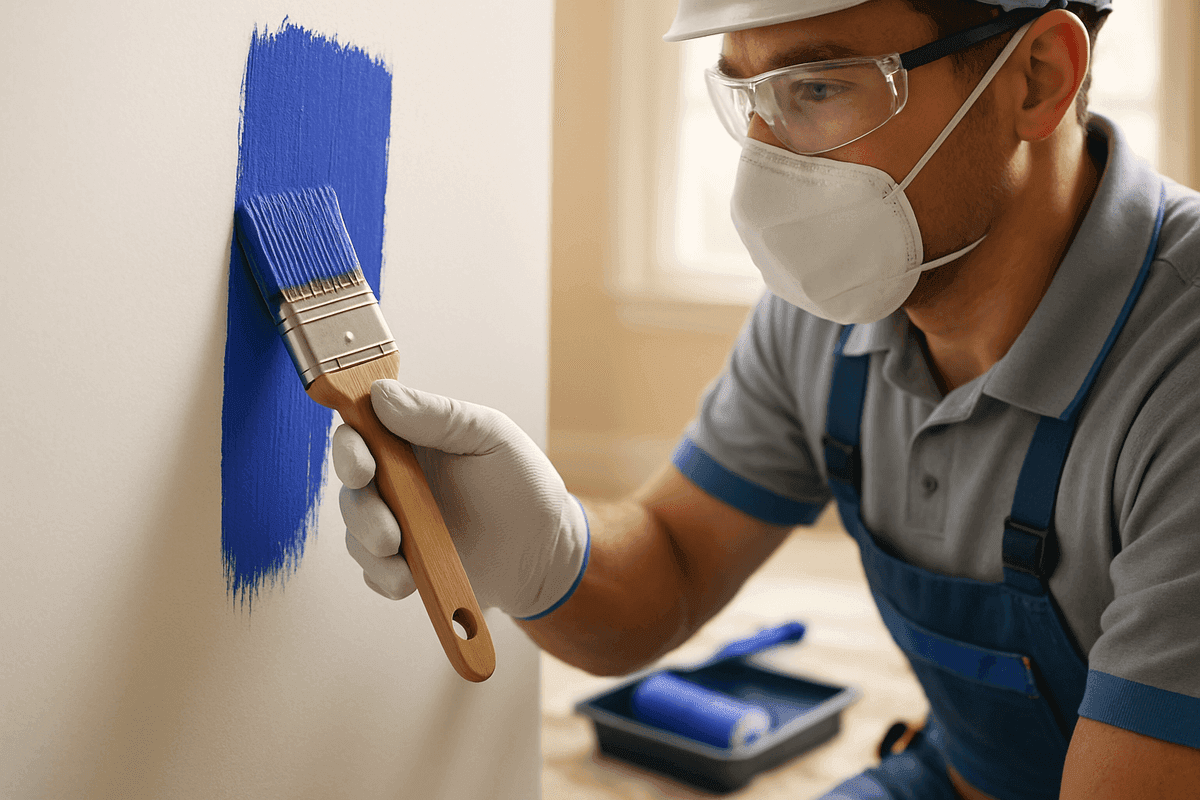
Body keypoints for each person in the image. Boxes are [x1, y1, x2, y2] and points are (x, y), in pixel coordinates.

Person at [333, 0, 1200, 796]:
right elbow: (673, 563)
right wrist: (548, 553)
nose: (766, 167)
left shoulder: (1180, 366)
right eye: (749, 96)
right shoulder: (832, 310)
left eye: (817, 88)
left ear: (1037, 77)